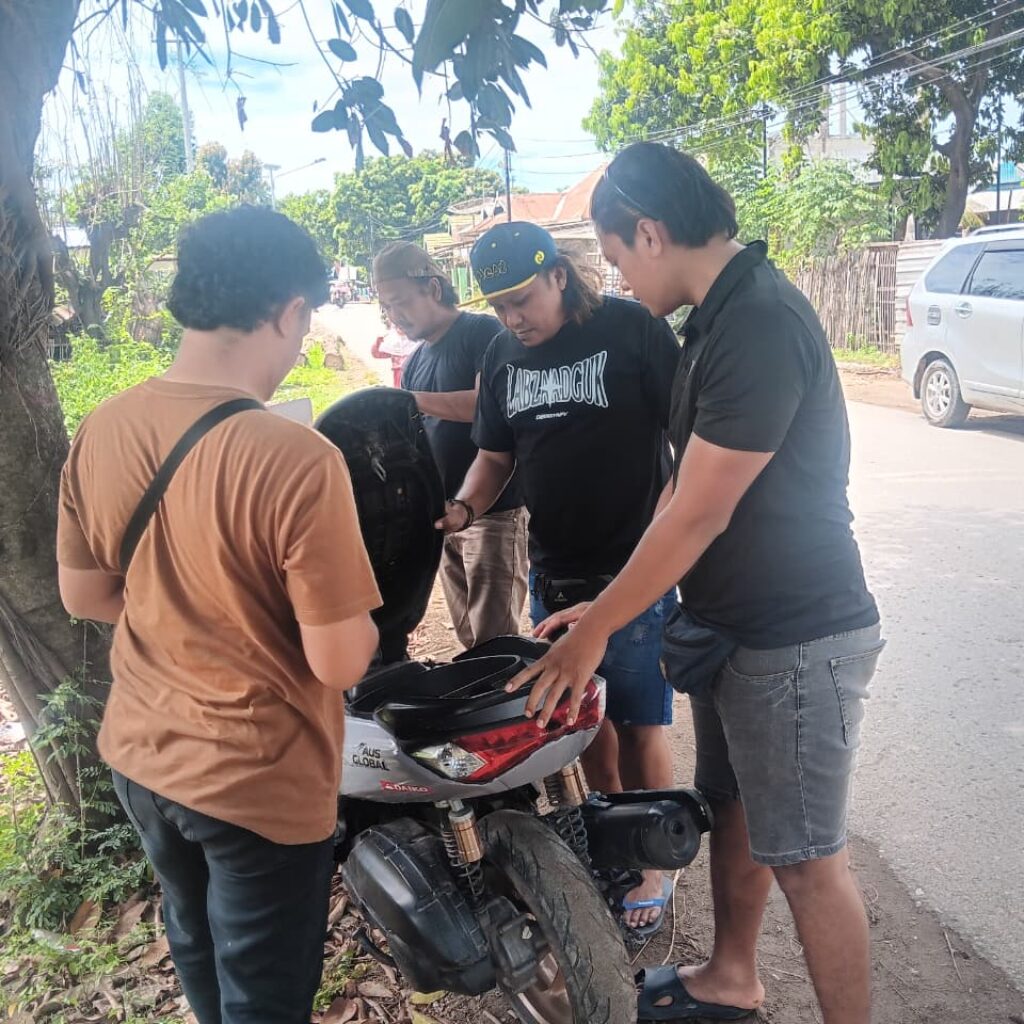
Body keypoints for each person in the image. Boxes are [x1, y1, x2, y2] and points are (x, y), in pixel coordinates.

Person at [509, 143, 884, 1024]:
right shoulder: (713, 320)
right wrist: (604, 603)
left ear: (651, 231)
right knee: (734, 810)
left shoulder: (758, 322)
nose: (616, 275)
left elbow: (701, 513)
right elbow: (679, 488)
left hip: (797, 635)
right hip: (733, 628)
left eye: (615, 255)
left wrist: (599, 632)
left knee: (807, 858)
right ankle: (731, 975)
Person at [56, 207, 382, 1024]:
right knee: (265, 994)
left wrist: (187, 603)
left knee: (196, 942)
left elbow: (84, 596)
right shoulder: (297, 457)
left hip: (142, 755)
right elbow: (341, 662)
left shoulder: (102, 426)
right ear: (289, 311)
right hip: (254, 779)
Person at [438, 221, 682, 939]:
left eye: (522, 300)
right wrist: (461, 508)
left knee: (642, 723)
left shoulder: (632, 331)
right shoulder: (501, 353)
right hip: (555, 576)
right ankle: (612, 839)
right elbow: (494, 455)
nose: (514, 318)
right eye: (499, 306)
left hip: (631, 576)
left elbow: (689, 440)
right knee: (585, 724)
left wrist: (670, 541)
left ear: (559, 277)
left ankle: (654, 859)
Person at [373, 241, 528, 650]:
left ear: (434, 289)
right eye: (387, 307)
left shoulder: (482, 333)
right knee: (468, 638)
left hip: (493, 512)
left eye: (402, 302)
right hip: (443, 516)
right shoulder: (415, 361)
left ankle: (504, 709)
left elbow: (489, 406)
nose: (395, 316)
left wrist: (412, 402)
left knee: (496, 641)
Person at [370, 318, 420, 387]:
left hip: (415, 381)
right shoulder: (393, 343)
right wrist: (378, 342)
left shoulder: (417, 343)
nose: (400, 328)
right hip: (398, 382)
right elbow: (377, 354)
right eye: (397, 325)